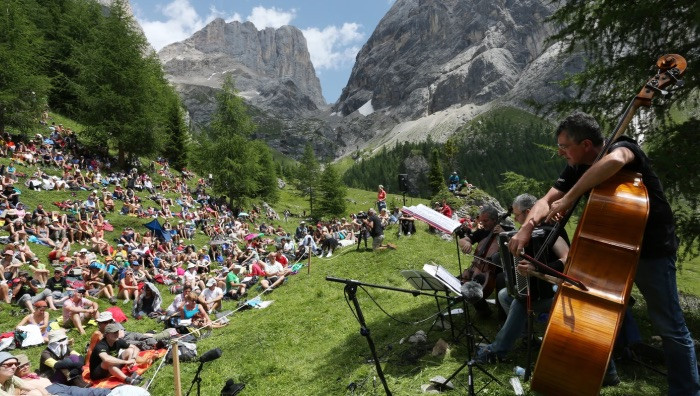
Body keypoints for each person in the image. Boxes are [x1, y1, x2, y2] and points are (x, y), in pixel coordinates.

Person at [508, 112, 700, 394]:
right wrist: (527, 227)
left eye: (565, 146)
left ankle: (686, 391)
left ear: (586, 144)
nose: (561, 152)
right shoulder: (577, 165)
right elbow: (545, 200)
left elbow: (616, 161)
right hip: (608, 248)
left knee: (669, 325)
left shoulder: (623, 146)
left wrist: (570, 197)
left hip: (652, 252)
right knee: (591, 308)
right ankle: (602, 372)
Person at [475, 194, 569, 363]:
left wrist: (536, 267)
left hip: (559, 289)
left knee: (521, 301)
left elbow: (566, 259)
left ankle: (497, 351)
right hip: (540, 288)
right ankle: (528, 338)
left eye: (517, 215)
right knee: (505, 294)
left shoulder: (551, 229)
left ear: (528, 212)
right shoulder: (526, 232)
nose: (515, 218)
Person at [458, 205, 506, 318]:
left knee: (499, 280)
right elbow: (462, 240)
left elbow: (515, 245)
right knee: (463, 281)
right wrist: (467, 243)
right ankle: (483, 309)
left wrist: (503, 234)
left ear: (495, 220)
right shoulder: (482, 232)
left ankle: (502, 314)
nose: (483, 223)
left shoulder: (505, 230)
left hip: (498, 269)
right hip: (480, 267)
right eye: (481, 221)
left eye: (486, 221)